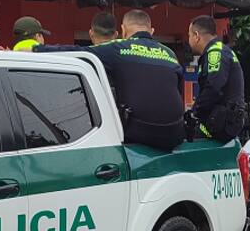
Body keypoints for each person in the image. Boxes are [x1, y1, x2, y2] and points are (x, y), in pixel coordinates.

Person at [37, 9, 185, 150]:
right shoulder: (170, 54)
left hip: (138, 135)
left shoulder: (119, 48)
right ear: (151, 31)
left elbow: (78, 52)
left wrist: (36, 50)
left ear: (123, 30)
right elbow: (179, 94)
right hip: (174, 136)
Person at [188, 15, 246, 142]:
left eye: (189, 36)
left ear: (197, 36)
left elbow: (213, 88)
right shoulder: (221, 50)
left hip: (220, 123)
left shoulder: (215, 53)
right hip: (224, 120)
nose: (189, 40)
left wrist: (194, 112)